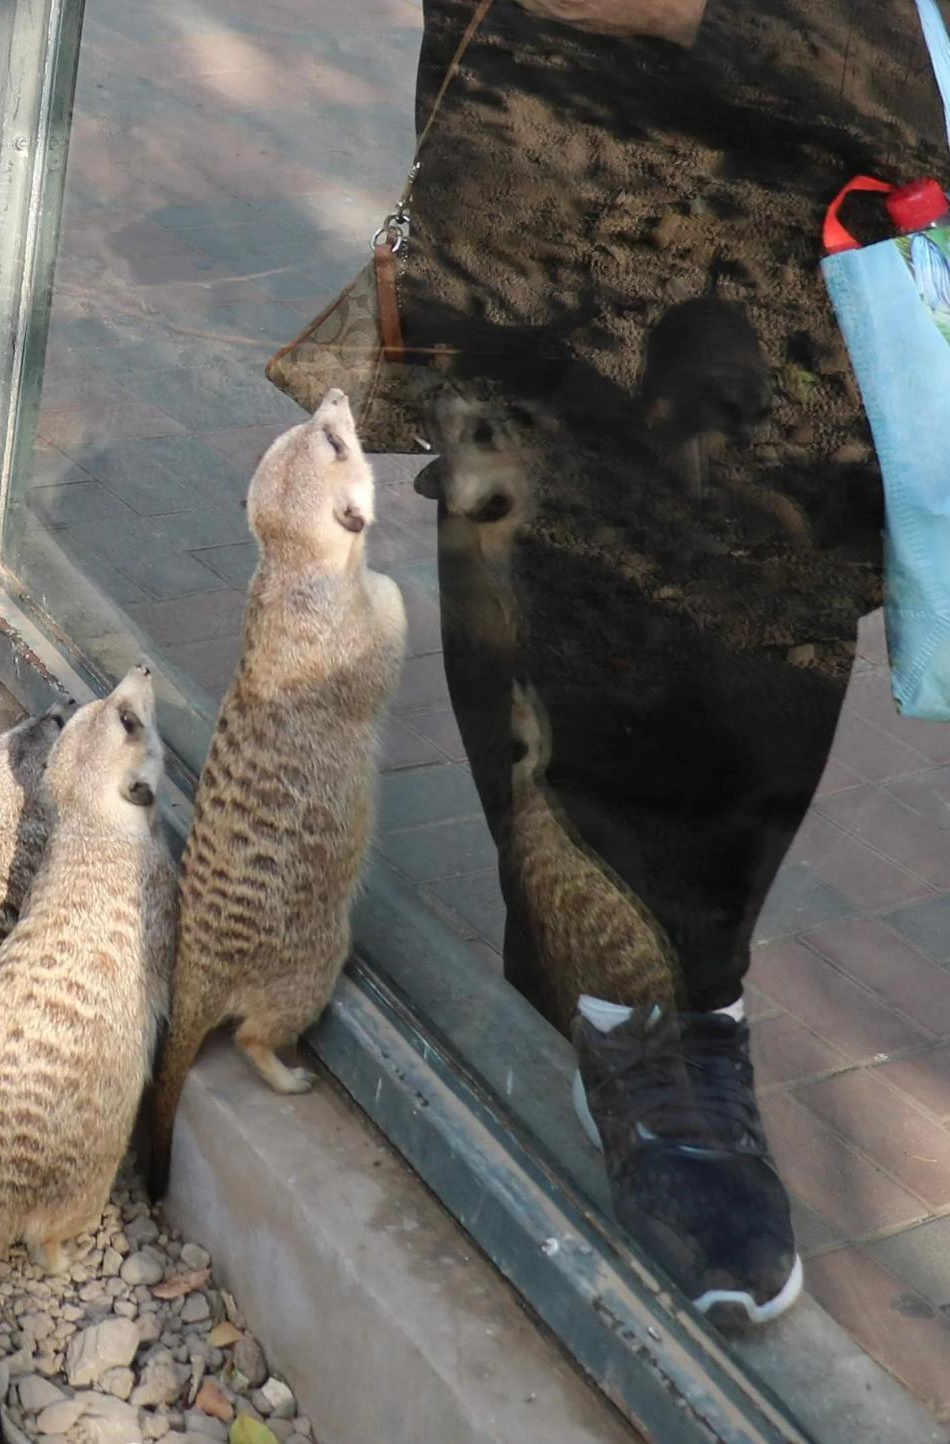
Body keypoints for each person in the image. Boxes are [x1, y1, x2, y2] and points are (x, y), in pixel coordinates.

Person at [374, 0, 950, 1327]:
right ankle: (633, 996)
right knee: (544, 466)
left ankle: (677, 985)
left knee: (788, 511)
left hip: (820, 104)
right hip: (577, 88)